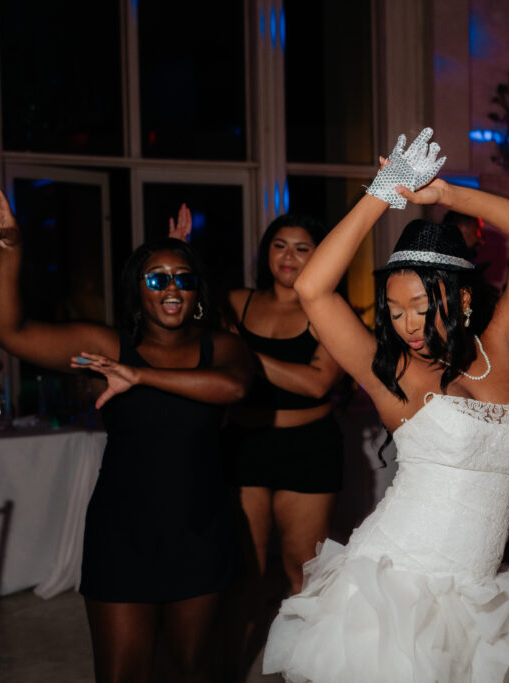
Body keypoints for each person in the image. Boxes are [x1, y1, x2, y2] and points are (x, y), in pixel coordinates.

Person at [261, 128, 509, 681]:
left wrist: (445, 195)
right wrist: (384, 189)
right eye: (395, 310)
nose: (408, 325)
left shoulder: (505, 344)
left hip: (480, 594)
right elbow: (313, 290)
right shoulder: (394, 372)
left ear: (462, 296)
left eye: (420, 305)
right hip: (396, 590)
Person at [0, 182, 254, 682]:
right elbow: (10, 333)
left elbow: (232, 390)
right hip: (123, 534)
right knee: (122, 674)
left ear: (197, 291)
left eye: (183, 279)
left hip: (201, 532)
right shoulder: (106, 345)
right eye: (156, 279)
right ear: (136, 290)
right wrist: (12, 250)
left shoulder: (222, 347)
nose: (171, 289)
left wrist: (138, 375)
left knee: (191, 670)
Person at [169, 208, 347, 680]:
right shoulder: (238, 301)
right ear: (266, 252)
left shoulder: (326, 307)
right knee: (244, 568)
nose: (288, 256)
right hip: (245, 445)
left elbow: (316, 383)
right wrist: (182, 254)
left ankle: (309, 670)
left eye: (302, 247)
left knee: (302, 571)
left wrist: (245, 355)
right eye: (279, 245)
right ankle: (230, 667)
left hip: (309, 447)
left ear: (320, 254)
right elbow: (186, 312)